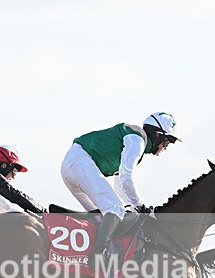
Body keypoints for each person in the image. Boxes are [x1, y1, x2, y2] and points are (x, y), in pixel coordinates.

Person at [60, 112, 180, 262]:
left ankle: (81, 257)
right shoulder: (137, 141)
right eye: (167, 143)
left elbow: (120, 184)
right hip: (80, 163)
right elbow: (126, 178)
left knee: (102, 217)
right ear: (157, 135)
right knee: (115, 209)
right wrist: (140, 206)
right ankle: (98, 258)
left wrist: (133, 206)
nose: (165, 148)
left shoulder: (136, 142)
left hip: (71, 166)